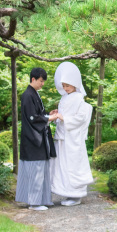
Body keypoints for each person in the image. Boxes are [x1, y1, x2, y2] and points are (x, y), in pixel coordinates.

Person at [50, 61, 94, 206]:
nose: (65, 88)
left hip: (73, 138)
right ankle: (67, 193)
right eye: (63, 85)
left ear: (75, 84)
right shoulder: (64, 98)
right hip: (63, 136)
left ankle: (76, 195)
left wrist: (64, 118)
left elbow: (81, 118)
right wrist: (57, 115)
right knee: (62, 165)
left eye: (67, 85)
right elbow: (64, 115)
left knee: (73, 165)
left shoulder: (79, 98)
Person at [15, 67, 59, 211]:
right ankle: (34, 203)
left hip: (37, 137)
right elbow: (32, 118)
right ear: (33, 79)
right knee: (35, 170)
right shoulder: (28, 95)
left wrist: (48, 115)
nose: (42, 84)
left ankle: (42, 200)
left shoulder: (33, 94)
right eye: (41, 81)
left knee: (42, 169)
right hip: (32, 139)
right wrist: (50, 118)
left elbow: (38, 115)